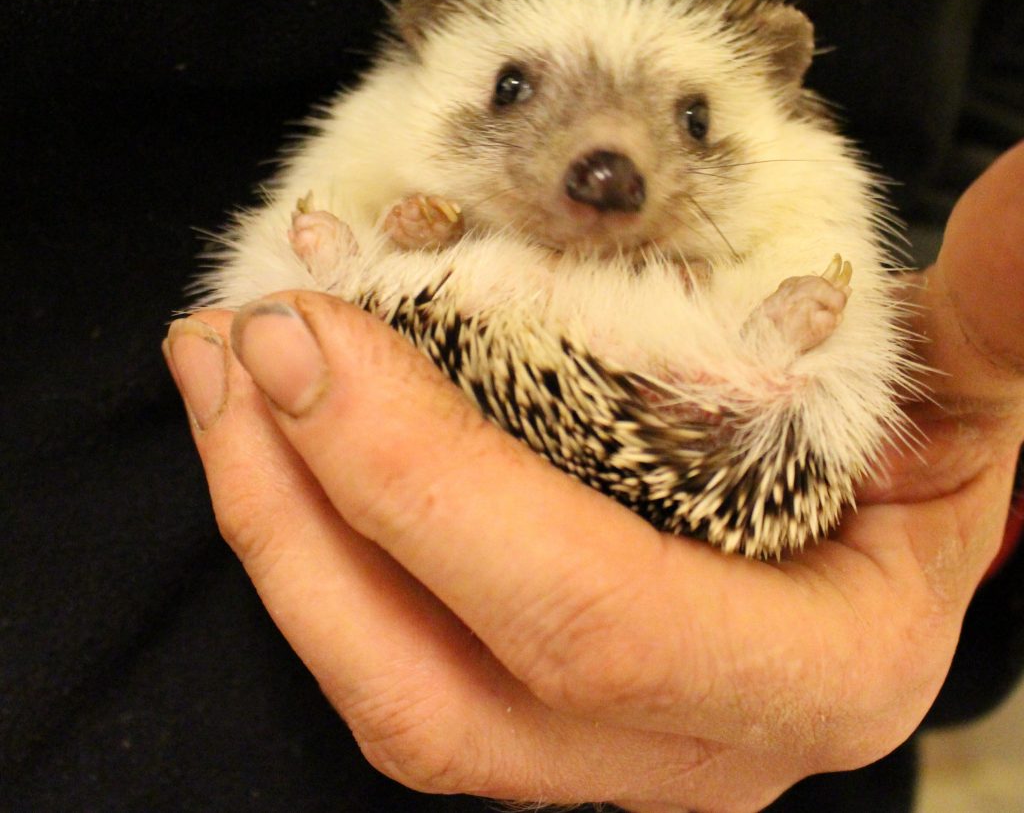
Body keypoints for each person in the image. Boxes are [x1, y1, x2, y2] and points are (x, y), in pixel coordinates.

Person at [163, 141, 1024, 812]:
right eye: (517, 89)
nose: (607, 169)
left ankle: (754, 361)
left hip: (791, 756)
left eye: (689, 120)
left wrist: (974, 503)